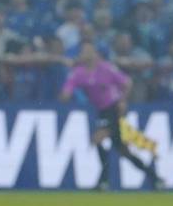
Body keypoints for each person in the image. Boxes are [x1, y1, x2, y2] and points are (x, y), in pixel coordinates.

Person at [60, 42, 163, 191]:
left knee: (97, 139)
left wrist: (123, 100)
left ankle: (104, 181)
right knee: (124, 151)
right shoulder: (79, 72)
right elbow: (67, 90)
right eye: (84, 51)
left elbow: (127, 82)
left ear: (95, 53)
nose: (86, 54)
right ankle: (155, 178)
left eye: (89, 51)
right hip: (102, 111)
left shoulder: (106, 68)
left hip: (114, 109)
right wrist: (65, 95)